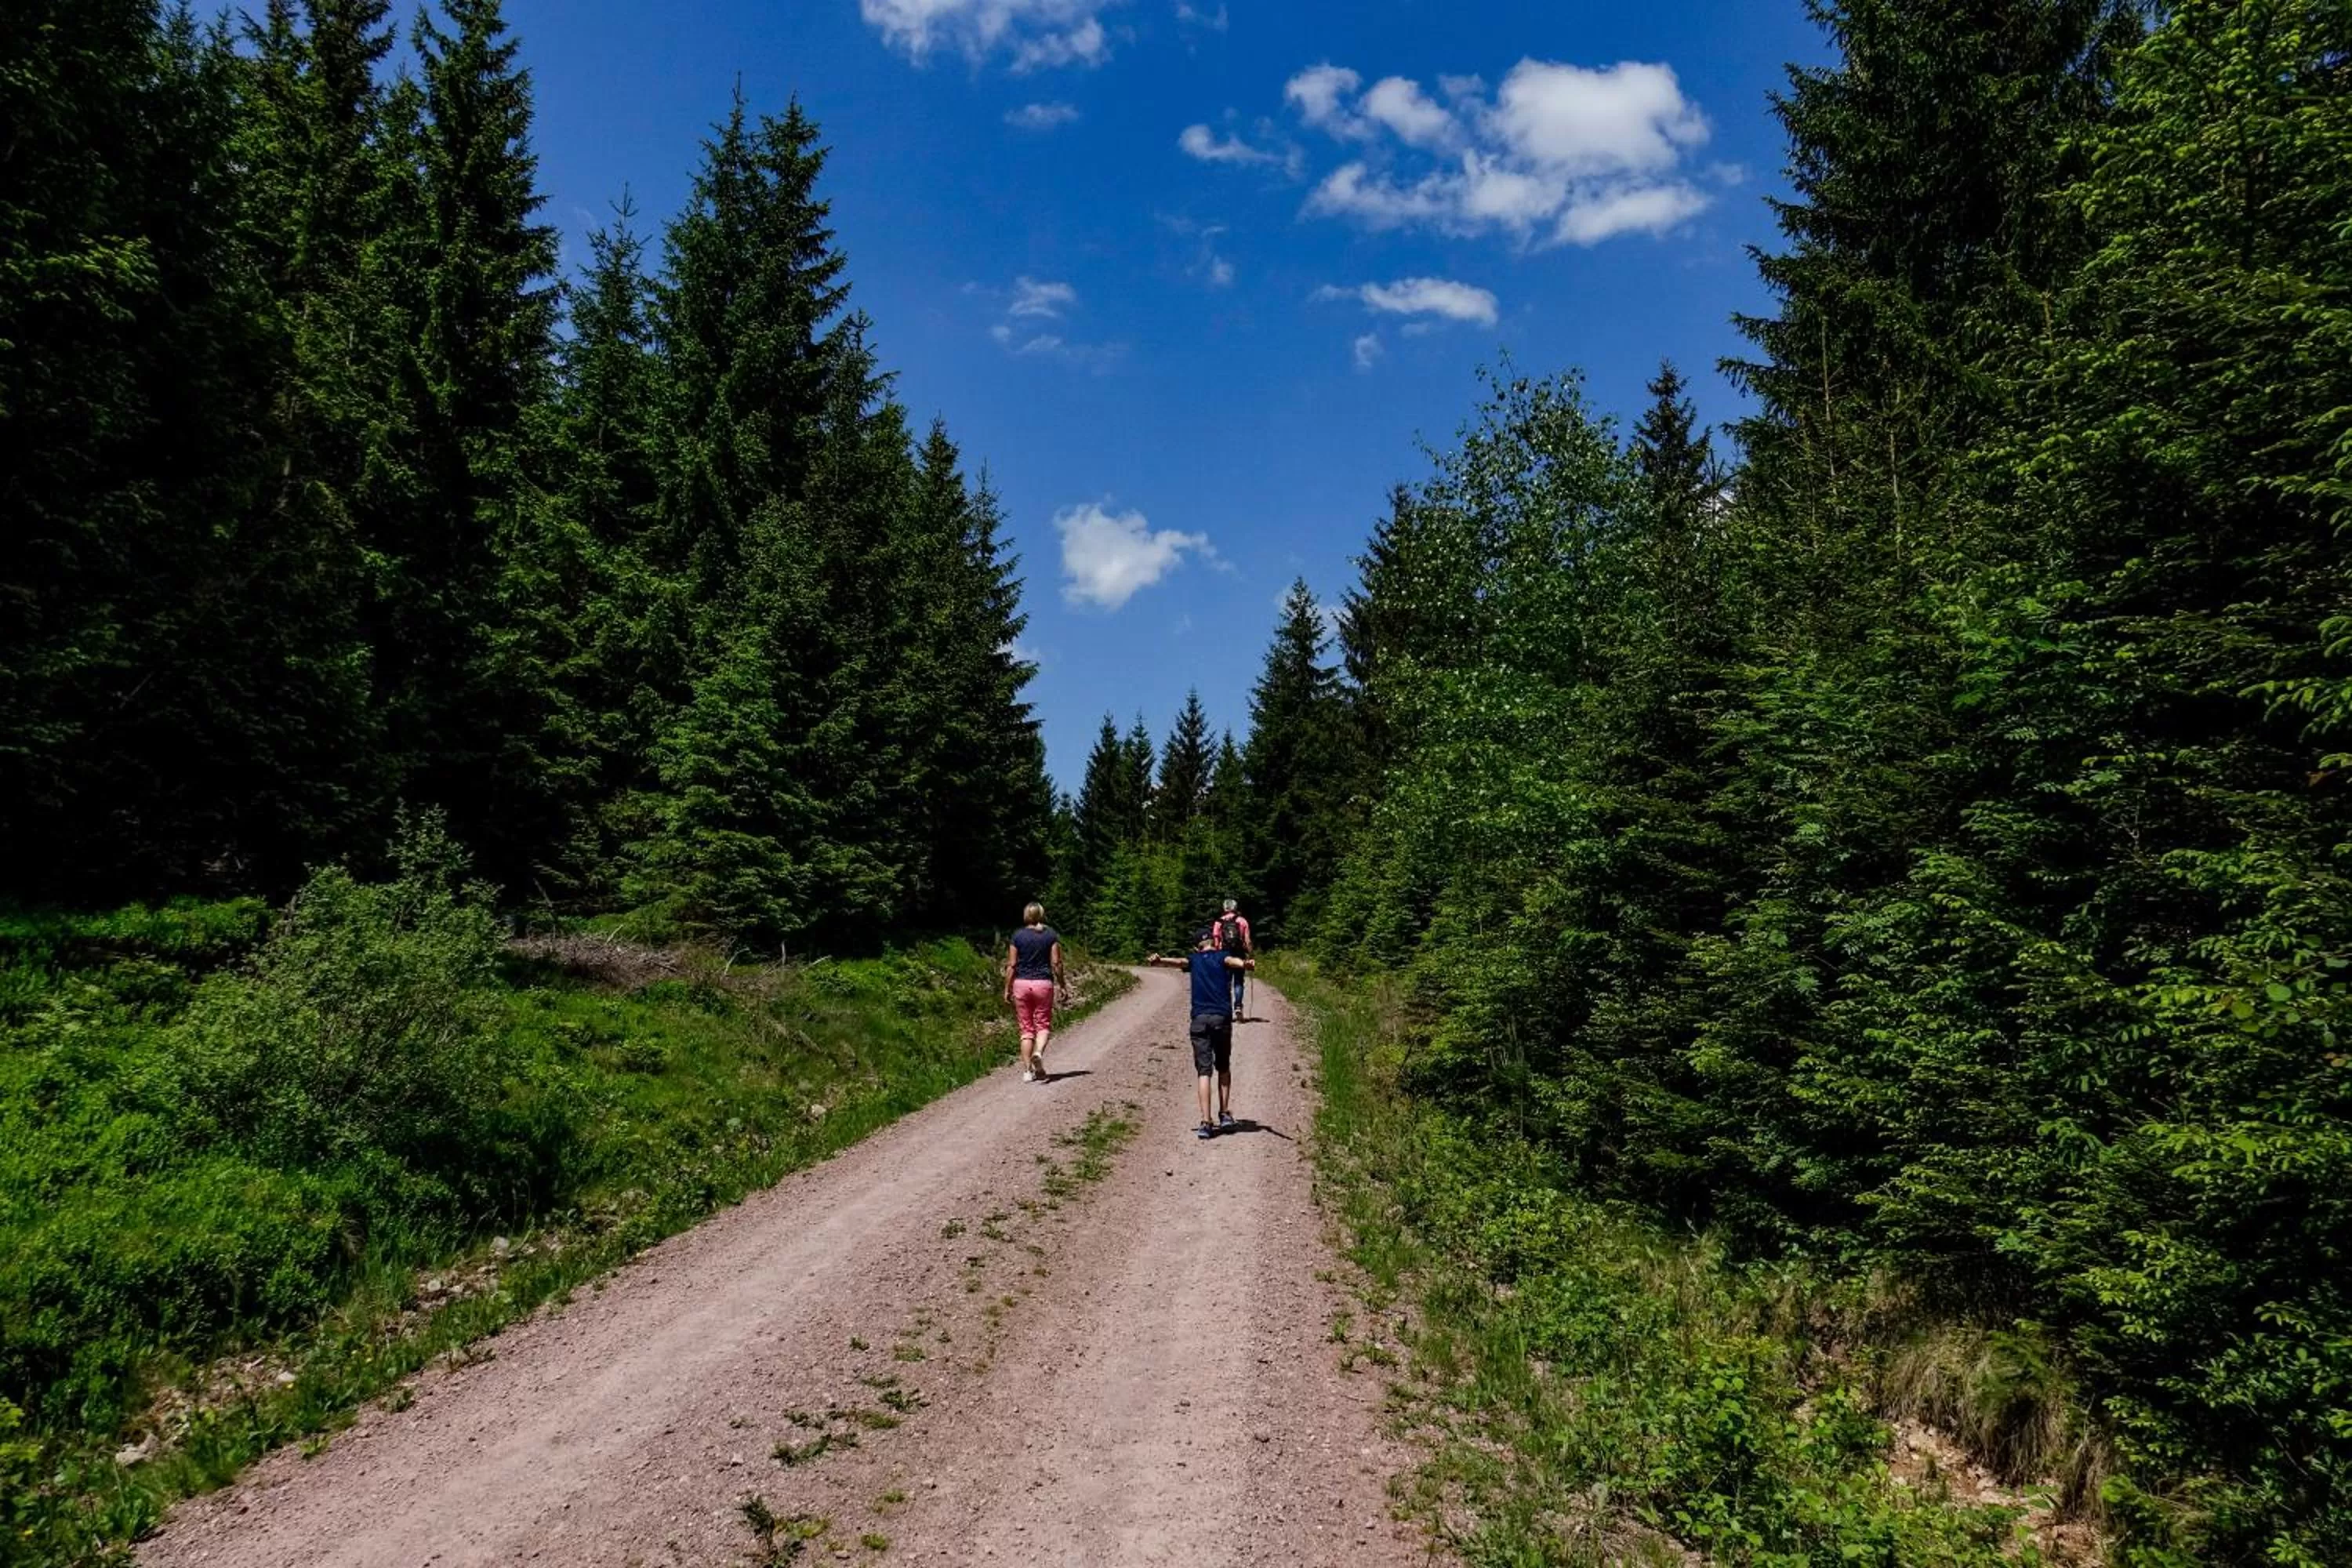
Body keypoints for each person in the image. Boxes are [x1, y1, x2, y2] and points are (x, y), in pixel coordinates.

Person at [1145, 927, 1255, 1139]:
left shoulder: (1194, 960)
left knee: (1204, 1072)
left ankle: (1206, 1122)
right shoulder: (1223, 956)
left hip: (1199, 1020)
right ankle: (1224, 1114)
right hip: (1221, 1019)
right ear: (1215, 942)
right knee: (1223, 1067)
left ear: (1196, 946)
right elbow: (1233, 962)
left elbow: (1178, 962)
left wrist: (1159, 960)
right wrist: (1245, 964)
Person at [1003, 903, 1069, 1083]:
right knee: (1043, 1025)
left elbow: (1012, 965)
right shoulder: (1050, 935)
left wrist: (1007, 988)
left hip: (1021, 984)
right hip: (1043, 984)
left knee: (1026, 1029)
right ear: (1041, 914)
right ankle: (1038, 1053)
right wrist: (1062, 985)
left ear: (1026, 915)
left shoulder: (1017, 936)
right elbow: (1057, 964)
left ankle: (1027, 1072)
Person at [1210, 898, 1253, 1020]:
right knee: (1239, 982)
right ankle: (1238, 1006)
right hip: (1239, 954)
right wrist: (1251, 955)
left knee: (1226, 982)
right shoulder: (1242, 921)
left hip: (1225, 955)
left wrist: (1217, 957)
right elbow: (1247, 940)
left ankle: (1226, 1009)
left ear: (1225, 908)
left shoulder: (1218, 923)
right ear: (1235, 908)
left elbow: (1216, 942)